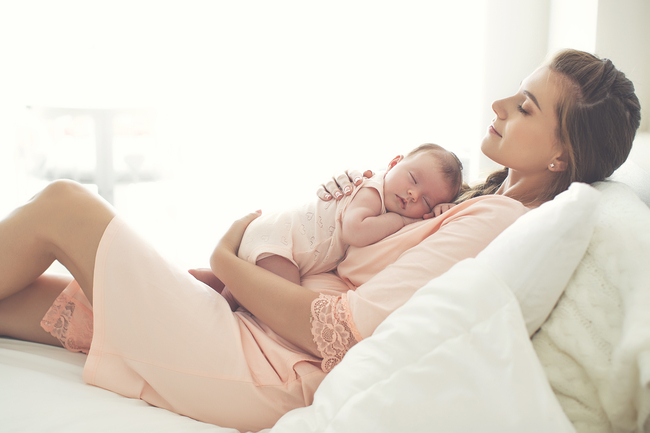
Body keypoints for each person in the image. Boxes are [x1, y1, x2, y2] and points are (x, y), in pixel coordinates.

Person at [0, 49, 640, 432]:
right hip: (250, 333)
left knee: (65, 207)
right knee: (31, 300)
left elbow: (342, 329)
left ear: (563, 156)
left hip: (266, 366)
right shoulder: (475, 202)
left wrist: (229, 259)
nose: (500, 103)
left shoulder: (496, 223)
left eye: (526, 107)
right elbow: (351, 255)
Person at [217, 143, 463, 311]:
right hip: (278, 239)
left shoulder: (384, 203)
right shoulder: (372, 191)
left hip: (276, 241)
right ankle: (227, 297)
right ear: (393, 162)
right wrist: (402, 221)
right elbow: (354, 231)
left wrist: (436, 215)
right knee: (283, 296)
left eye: (427, 201)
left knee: (260, 288)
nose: (413, 194)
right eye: (413, 179)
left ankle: (219, 285)